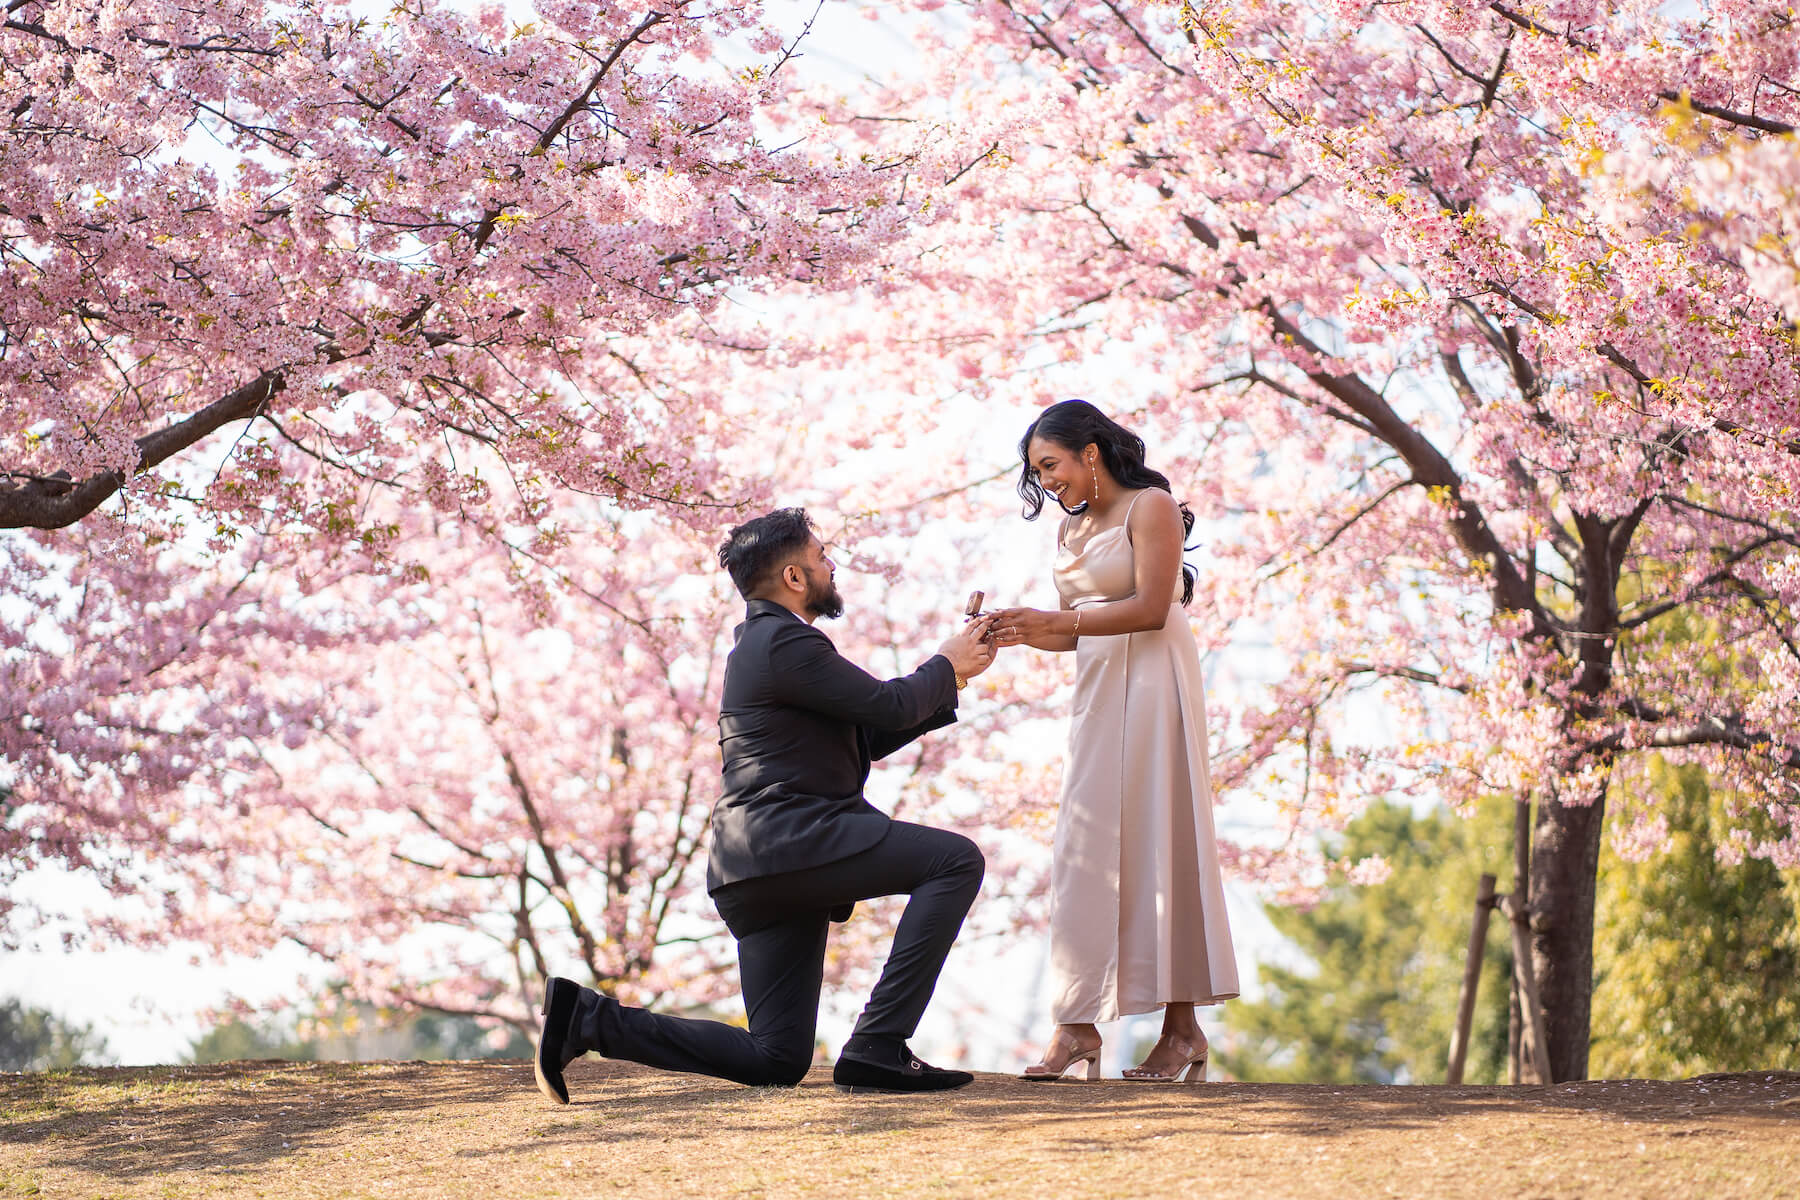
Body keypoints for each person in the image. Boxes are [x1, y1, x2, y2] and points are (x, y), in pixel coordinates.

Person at [534, 507, 999, 1101]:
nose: (832, 565)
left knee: (775, 1057)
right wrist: (943, 664)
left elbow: (870, 735)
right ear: (795, 579)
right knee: (955, 860)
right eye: (821, 555)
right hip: (790, 843)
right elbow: (887, 706)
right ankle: (879, 1042)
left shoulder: (766, 645)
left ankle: (588, 1019)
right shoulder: (784, 642)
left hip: (751, 866)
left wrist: (952, 676)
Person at [990, 399, 1238, 1082]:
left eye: (1051, 465)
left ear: (1090, 452)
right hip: (1098, 692)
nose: (1046, 482)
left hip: (1158, 684)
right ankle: (1075, 1025)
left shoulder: (1150, 507)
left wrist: (1058, 619)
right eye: (1036, 472)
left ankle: (1182, 1031)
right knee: (1082, 844)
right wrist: (1014, 629)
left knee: (1166, 840)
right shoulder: (1069, 533)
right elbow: (1072, 628)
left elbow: (1154, 607)